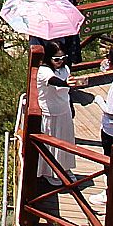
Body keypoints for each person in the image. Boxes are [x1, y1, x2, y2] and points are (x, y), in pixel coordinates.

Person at [37, 55, 77, 185]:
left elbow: (67, 90)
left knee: (66, 141)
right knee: (51, 144)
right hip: (51, 113)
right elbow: (53, 80)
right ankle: (50, 172)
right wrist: (65, 83)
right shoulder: (44, 70)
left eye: (63, 57)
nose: (60, 61)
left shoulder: (65, 68)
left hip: (64, 110)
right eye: (56, 58)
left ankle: (65, 168)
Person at [51, 0, 84, 68]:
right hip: (56, 41)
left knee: (68, 65)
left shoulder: (69, 2)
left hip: (70, 40)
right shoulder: (48, 6)